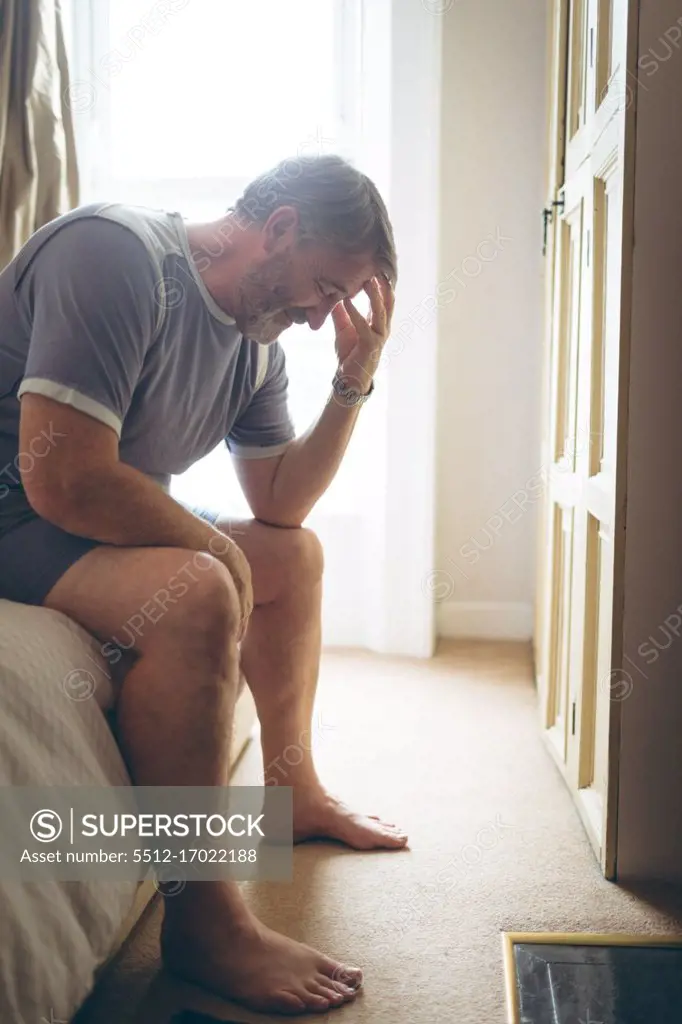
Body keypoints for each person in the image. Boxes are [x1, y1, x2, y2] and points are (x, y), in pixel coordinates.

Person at [0, 154, 406, 1014]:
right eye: (325, 288)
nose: (317, 317)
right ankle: (207, 919)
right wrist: (214, 558)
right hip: (13, 514)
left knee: (291, 559)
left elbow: (281, 504)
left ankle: (293, 794)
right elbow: (62, 479)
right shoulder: (116, 256)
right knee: (198, 589)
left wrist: (354, 379)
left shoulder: (257, 349)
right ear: (280, 229)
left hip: (67, 522)